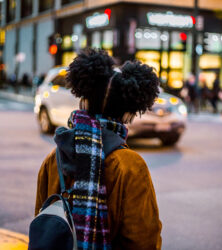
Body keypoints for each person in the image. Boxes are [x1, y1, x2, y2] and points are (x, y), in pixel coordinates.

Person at [35, 48, 162, 250]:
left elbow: (42, 224)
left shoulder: (54, 157)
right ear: (128, 114)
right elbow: (143, 240)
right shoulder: (131, 166)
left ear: (84, 101)